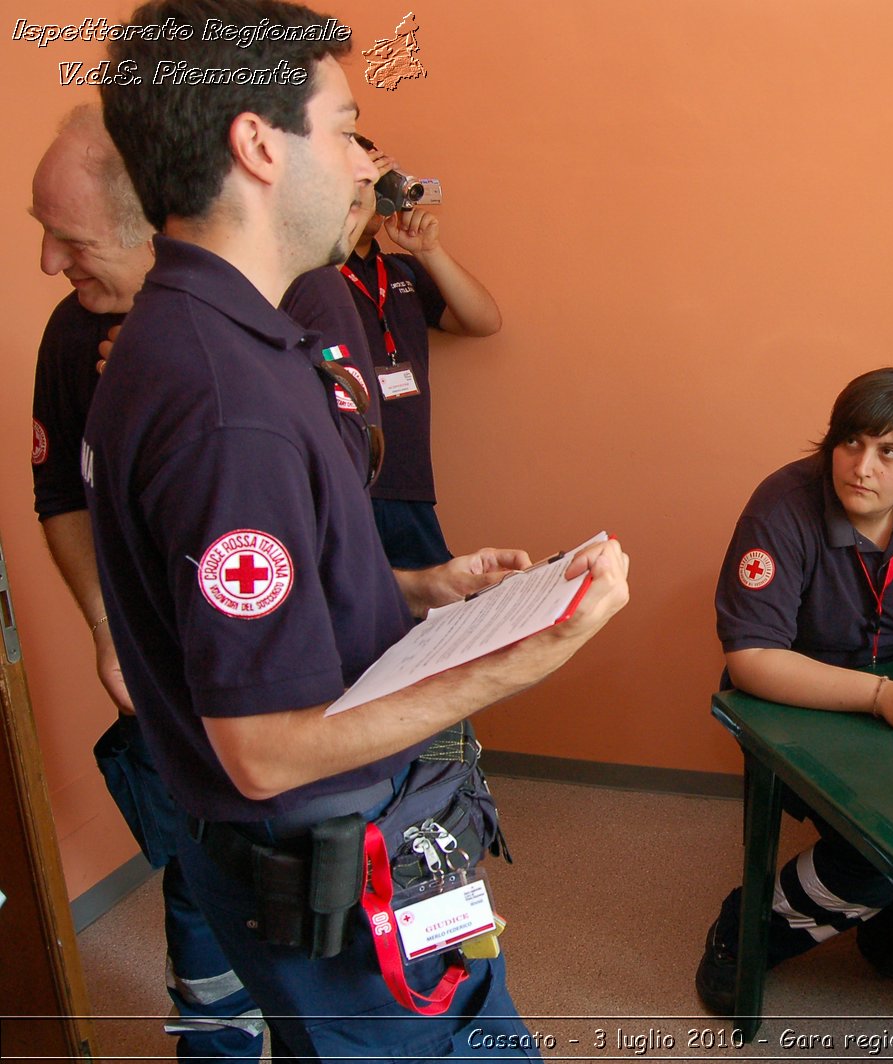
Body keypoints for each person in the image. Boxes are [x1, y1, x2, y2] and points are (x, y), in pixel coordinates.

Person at [89, 2, 628, 1058]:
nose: (362, 165)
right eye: (343, 127)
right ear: (256, 143)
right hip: (318, 854)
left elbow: (275, 586)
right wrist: (526, 654)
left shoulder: (228, 335)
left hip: (322, 845)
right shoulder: (222, 398)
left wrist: (428, 588)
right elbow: (267, 748)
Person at [29, 104, 266, 1060]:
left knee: (314, 907)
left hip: (286, 686)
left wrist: (187, 376)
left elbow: (345, 471)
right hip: (163, 698)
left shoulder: (271, 308)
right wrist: (100, 623)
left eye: (70, 238)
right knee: (198, 878)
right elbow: (59, 497)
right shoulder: (66, 335)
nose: (50, 261)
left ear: (155, 222)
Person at [696, 367, 893, 1015]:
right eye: (851, 442)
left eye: (889, 452)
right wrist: (875, 697)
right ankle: (744, 932)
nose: (862, 467)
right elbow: (752, 659)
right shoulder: (782, 504)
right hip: (801, 699)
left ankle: (878, 913)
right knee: (879, 852)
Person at [340, 140, 501, 568]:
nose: (374, 194)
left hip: (407, 482)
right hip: (343, 483)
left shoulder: (399, 270)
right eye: (364, 182)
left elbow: (484, 321)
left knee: (429, 614)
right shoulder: (312, 274)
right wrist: (349, 211)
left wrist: (428, 251)